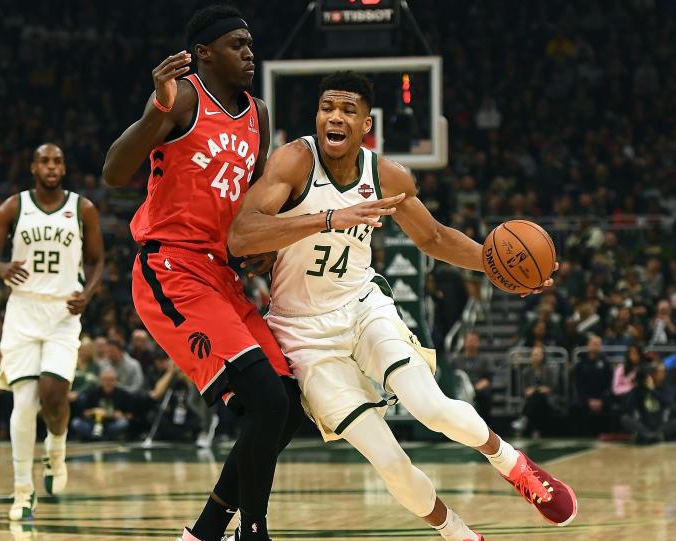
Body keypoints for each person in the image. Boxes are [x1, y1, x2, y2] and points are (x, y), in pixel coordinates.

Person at [227, 71, 577, 540]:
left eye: (348, 110)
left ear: (365, 125)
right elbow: (242, 234)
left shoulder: (386, 176)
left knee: (433, 408)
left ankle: (514, 465)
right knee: (389, 462)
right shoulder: (294, 162)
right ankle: (458, 533)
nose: (335, 116)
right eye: (327, 107)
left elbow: (432, 237)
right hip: (302, 334)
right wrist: (328, 217)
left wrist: (494, 268)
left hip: (363, 307)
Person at [103, 6, 304, 541]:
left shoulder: (258, 114)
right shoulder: (183, 97)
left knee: (287, 407)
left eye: (251, 44)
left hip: (222, 274)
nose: (249, 53)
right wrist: (153, 114)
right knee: (264, 401)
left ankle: (207, 531)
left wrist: (264, 245)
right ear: (204, 53)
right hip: (171, 268)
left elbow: (253, 206)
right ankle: (253, 531)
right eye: (237, 44)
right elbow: (115, 172)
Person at [0, 143, 105, 520]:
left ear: (63, 168)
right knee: (23, 403)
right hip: (23, 309)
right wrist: (0, 269)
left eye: (58, 161)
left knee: (53, 394)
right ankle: (22, 491)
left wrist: (90, 293)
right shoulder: (13, 207)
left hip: (64, 310)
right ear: (33, 167)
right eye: (45, 161)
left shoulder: (83, 208)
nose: (51, 166)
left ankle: (57, 447)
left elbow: (98, 260)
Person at [621, 365, 676, 443]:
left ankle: (652, 435)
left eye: (663, 372)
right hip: (644, 425)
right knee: (625, 418)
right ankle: (652, 436)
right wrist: (636, 387)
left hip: (660, 426)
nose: (662, 374)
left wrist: (653, 390)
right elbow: (628, 407)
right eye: (659, 372)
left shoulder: (666, 387)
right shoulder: (639, 390)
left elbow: (668, 403)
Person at [70, 368, 133, 441]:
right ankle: (102, 437)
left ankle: (97, 437)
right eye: (105, 380)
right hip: (94, 424)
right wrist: (93, 411)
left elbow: (130, 416)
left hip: (112, 424)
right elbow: (84, 413)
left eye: (111, 380)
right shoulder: (93, 393)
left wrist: (121, 415)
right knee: (76, 423)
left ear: (116, 381)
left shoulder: (123, 394)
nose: (108, 382)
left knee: (123, 423)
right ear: (101, 381)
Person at [513, 346, 560, 438]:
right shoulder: (526, 372)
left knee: (537, 396)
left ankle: (524, 418)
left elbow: (553, 387)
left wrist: (536, 389)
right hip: (531, 399)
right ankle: (536, 430)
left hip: (547, 399)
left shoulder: (549, 370)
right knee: (536, 397)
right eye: (534, 355)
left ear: (543, 356)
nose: (536, 357)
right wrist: (536, 390)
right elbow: (524, 390)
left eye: (538, 354)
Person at [571, 335, 613, 436]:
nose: (596, 346)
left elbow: (609, 384)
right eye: (594, 344)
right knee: (575, 406)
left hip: (602, 398)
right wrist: (588, 400)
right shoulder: (580, 365)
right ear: (588, 346)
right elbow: (578, 385)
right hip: (585, 398)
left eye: (598, 344)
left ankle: (606, 433)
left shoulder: (606, 364)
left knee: (611, 405)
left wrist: (601, 400)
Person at [450, 331, 494, 422]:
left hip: (476, 389)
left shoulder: (484, 359)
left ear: (478, 343)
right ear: (464, 342)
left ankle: (484, 426)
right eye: (469, 340)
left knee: (485, 396)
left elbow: (488, 379)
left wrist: (474, 388)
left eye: (474, 340)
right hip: (460, 389)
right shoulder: (456, 360)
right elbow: (451, 376)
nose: (471, 343)